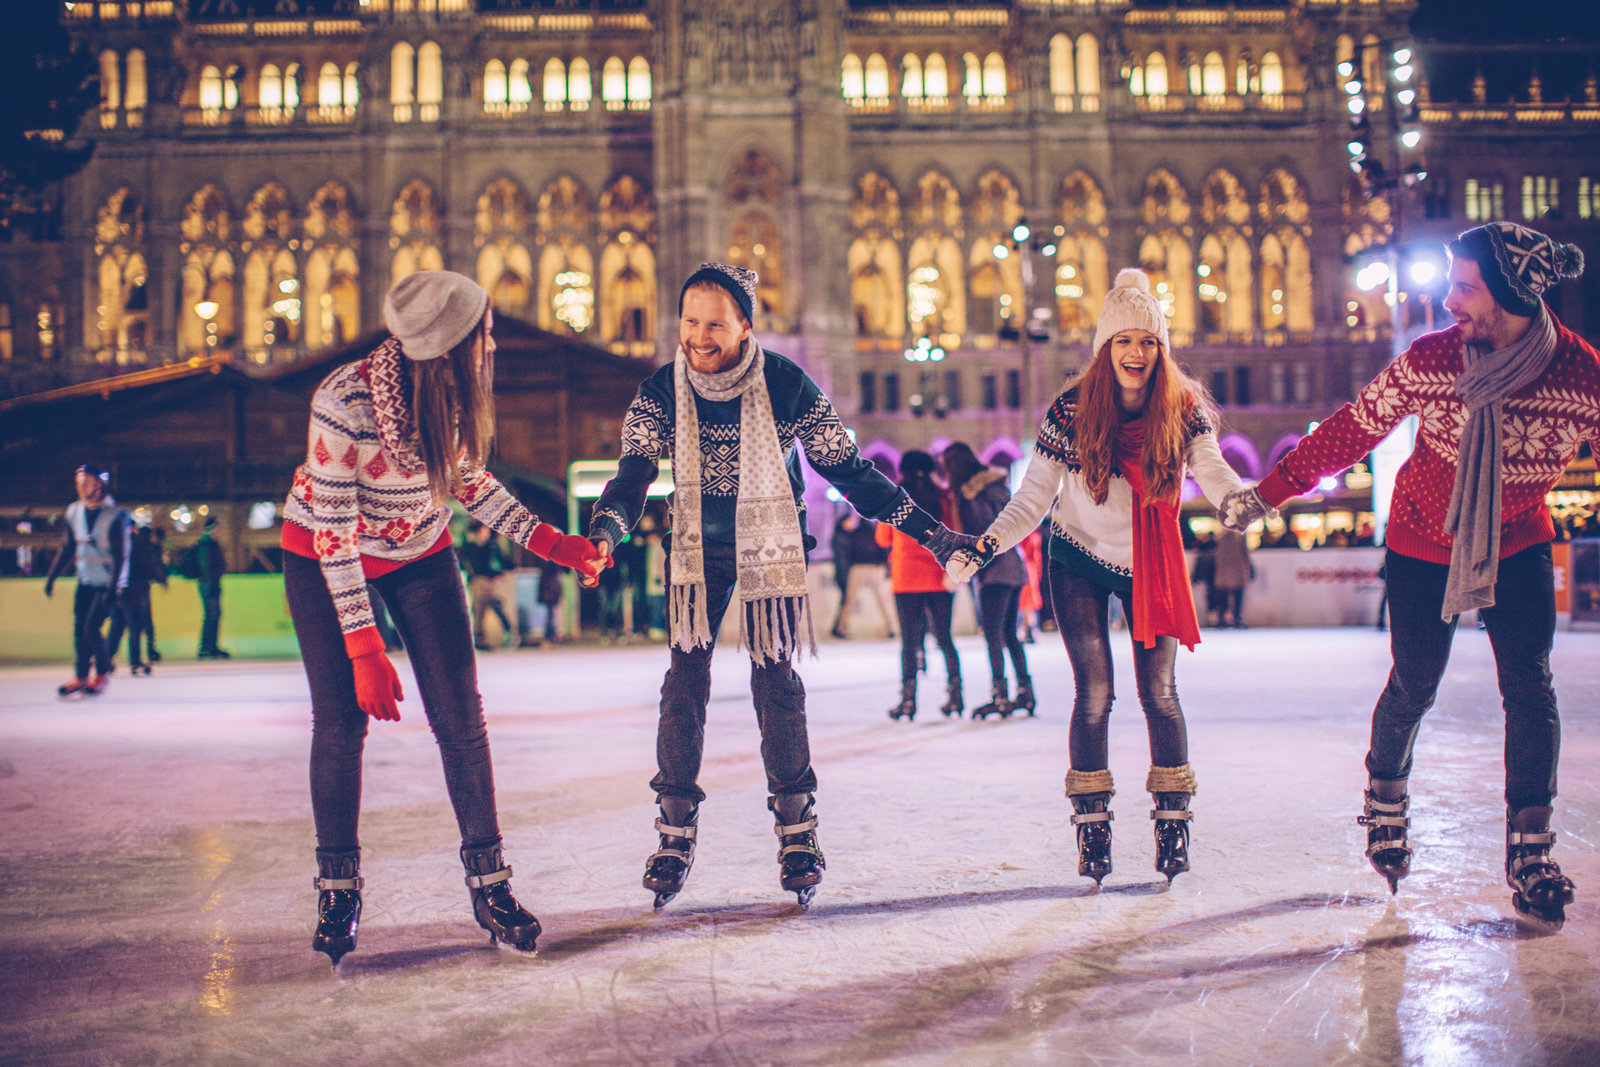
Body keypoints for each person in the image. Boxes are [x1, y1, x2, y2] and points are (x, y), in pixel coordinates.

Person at [1228, 222, 1597, 927]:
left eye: (1465, 287)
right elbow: (1350, 430)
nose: (1448, 300)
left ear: (1514, 292)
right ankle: (1387, 796)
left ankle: (1532, 849)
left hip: (1517, 537)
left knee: (1531, 683)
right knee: (1416, 679)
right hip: (1425, 537)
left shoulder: (1581, 375)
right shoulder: (1432, 361)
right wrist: (1267, 492)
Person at [587, 262, 974, 908]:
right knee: (685, 680)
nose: (699, 336)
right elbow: (633, 474)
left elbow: (851, 472)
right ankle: (674, 830)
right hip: (696, 548)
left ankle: (798, 829)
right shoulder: (660, 390)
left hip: (771, 543)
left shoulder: (787, 385)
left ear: (745, 325)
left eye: (715, 323)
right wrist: (607, 528)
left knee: (776, 679)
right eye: (689, 321)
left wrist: (931, 533)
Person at [280, 270, 606, 964]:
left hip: (421, 553)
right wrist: (364, 644)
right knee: (340, 722)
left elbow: (470, 482)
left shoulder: (452, 396)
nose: (493, 342)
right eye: (485, 330)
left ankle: (490, 882)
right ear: (456, 341)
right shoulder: (343, 400)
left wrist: (552, 542)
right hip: (320, 556)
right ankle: (337, 887)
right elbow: (333, 531)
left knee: (461, 719)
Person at [949, 269, 1249, 885]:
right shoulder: (1071, 409)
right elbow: (1033, 498)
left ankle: (1172, 824)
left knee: (1158, 695)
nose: (1135, 352)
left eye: (1147, 341)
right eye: (1122, 341)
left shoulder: (1183, 409)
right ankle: (1093, 829)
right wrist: (986, 544)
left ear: (1160, 350)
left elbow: (1212, 469)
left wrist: (1236, 501)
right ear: (1104, 349)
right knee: (1094, 694)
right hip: (1079, 558)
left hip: (1152, 563)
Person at [942, 442, 1033, 719]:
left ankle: (1000, 695)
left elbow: (982, 533)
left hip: (994, 571)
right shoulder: (997, 486)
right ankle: (1025, 693)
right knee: (1008, 634)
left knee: (994, 634)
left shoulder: (974, 494)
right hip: (1013, 567)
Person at [878, 451, 965, 722]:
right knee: (944, 637)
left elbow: (883, 538)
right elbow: (953, 534)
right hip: (938, 577)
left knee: (909, 641)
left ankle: (907, 701)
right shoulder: (943, 499)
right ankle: (956, 696)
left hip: (905, 578)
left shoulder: (895, 500)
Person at [44, 464, 132, 696]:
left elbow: (120, 555)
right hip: (85, 581)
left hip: (108, 584)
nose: (80, 488)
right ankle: (81, 676)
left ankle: (102, 674)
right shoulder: (73, 511)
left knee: (92, 628)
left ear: (99, 485)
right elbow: (67, 547)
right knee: (79, 631)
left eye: (85, 483)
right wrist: (52, 577)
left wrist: (114, 588)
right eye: (78, 483)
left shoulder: (117, 515)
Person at [110, 522, 167, 674]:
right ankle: (135, 662)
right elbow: (146, 566)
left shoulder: (116, 543)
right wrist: (160, 577)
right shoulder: (136, 544)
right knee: (135, 626)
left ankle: (106, 660)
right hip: (134, 592)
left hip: (117, 592)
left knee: (117, 626)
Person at [837, 509, 897, 638]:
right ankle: (841, 627)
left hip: (873, 567)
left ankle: (892, 627)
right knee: (850, 599)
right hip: (859, 566)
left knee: (883, 599)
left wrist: (885, 566)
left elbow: (884, 546)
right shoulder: (856, 529)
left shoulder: (873, 527)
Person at [461, 521, 514, 650]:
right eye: (485, 530)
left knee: (496, 605)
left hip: (491, 581)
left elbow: (503, 561)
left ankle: (509, 632)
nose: (487, 533)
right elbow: (476, 565)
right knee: (479, 610)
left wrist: (501, 572)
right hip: (479, 581)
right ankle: (480, 640)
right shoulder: (471, 547)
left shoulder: (492, 545)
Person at [194, 516, 229, 659]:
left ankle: (209, 646)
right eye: (218, 528)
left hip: (210, 584)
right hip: (209, 585)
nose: (220, 531)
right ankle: (207, 647)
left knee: (213, 615)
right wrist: (212, 584)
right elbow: (206, 566)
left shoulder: (209, 544)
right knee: (212, 615)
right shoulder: (207, 545)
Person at [1210, 528, 1252, 628]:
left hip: (1228, 568)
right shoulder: (1238, 534)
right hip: (1231, 568)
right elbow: (1244, 552)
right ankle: (1233, 619)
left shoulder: (1221, 535)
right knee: (1231, 595)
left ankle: (1225, 619)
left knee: (1226, 595)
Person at [827, 511, 857, 639]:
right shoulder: (841, 537)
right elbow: (842, 558)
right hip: (843, 571)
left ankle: (839, 627)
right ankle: (839, 628)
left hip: (843, 570)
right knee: (846, 600)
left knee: (845, 600)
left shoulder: (842, 536)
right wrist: (845, 573)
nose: (852, 524)